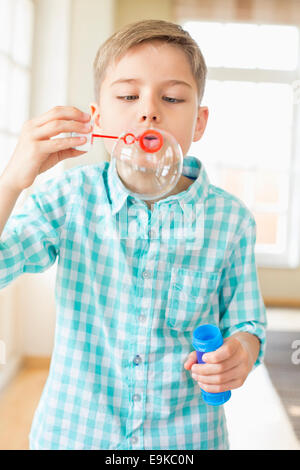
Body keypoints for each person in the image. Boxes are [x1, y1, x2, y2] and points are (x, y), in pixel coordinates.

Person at [0, 19, 267, 450]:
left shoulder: (231, 220)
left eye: (172, 97)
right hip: (73, 436)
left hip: (185, 443)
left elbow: (248, 324)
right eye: (128, 95)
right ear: (98, 117)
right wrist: (12, 179)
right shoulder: (69, 199)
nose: (149, 111)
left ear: (198, 123)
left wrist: (241, 352)